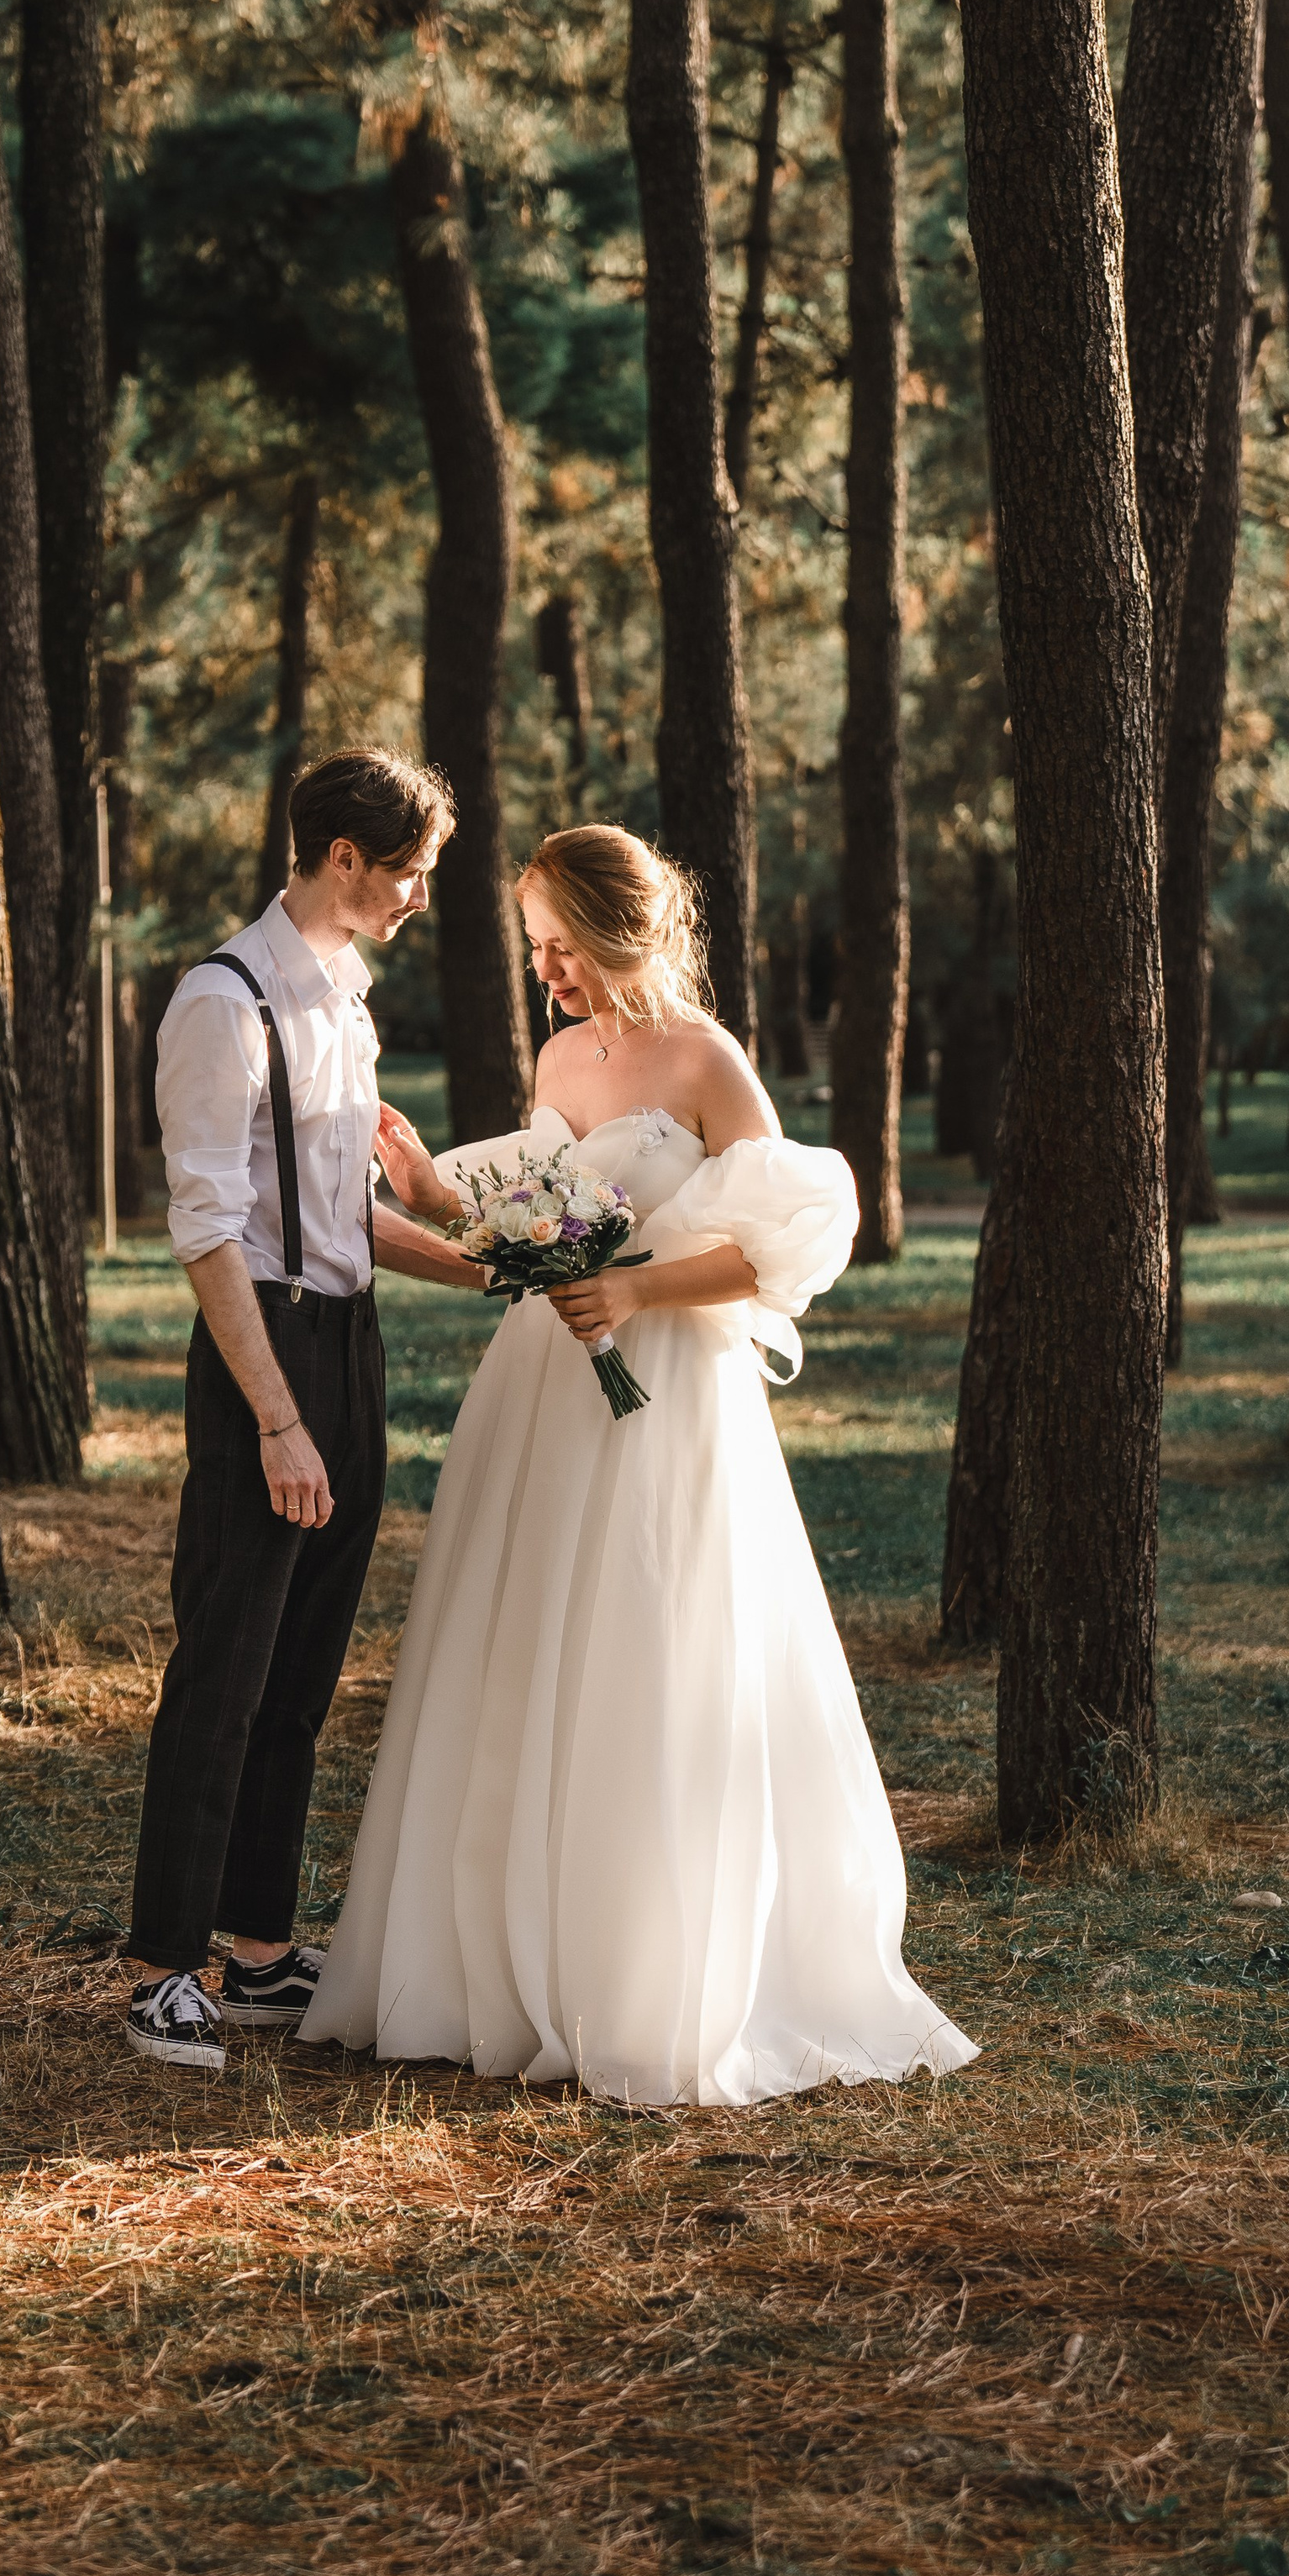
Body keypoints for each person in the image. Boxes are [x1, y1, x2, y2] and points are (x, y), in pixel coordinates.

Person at [301, 823, 976, 2106]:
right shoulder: (562, 1054)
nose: (545, 970)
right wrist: (429, 1188)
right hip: (543, 1390)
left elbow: (787, 1242)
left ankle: (645, 1969)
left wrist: (634, 1289)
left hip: (668, 1395)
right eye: (535, 948)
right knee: (522, 1649)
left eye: (558, 944)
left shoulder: (707, 1062)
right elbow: (536, 1220)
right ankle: (499, 1963)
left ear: (618, 929)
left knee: (647, 1646)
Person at [124, 747, 485, 2070]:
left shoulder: (346, 999)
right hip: (259, 1357)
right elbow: (213, 1231)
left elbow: (344, 1218)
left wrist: (496, 1268)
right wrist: (275, 1419)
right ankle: (165, 1964)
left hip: (351, 1349)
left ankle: (258, 1947)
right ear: (344, 857)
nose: (417, 896)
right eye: (410, 873)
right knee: (224, 1662)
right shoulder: (222, 1003)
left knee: (304, 1668)